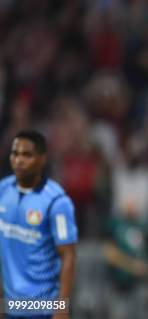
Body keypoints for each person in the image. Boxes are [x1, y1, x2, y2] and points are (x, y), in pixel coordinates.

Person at [0, 130, 78, 319]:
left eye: (27, 155)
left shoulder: (57, 202)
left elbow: (68, 255)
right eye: (15, 154)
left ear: (42, 159)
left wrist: (62, 308)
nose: (19, 160)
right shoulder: (2, 190)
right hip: (11, 306)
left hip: (44, 308)